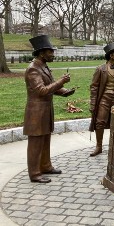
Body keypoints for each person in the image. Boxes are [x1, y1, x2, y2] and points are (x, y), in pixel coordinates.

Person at [24, 35, 75, 183]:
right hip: (36, 111)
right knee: (36, 143)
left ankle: (45, 166)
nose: (53, 54)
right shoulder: (33, 69)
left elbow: (50, 86)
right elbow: (41, 90)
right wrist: (61, 82)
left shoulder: (43, 66)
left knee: (46, 139)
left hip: (46, 110)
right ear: (41, 53)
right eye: (50, 52)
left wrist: (64, 91)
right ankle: (34, 173)